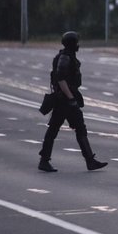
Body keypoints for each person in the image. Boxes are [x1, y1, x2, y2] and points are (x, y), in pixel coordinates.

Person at [38, 31, 107, 173]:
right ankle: (44, 161)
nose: (78, 45)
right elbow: (61, 79)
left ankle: (89, 160)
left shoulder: (68, 56)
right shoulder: (65, 58)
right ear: (72, 43)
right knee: (56, 128)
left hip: (66, 98)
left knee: (76, 128)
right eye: (76, 42)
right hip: (64, 100)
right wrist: (70, 98)